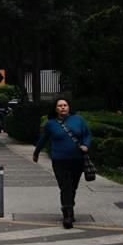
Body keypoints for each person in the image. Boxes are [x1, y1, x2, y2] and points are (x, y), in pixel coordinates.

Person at [33, 98, 93, 229]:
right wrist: (36, 152)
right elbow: (43, 139)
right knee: (65, 186)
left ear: (69, 107)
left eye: (65, 105)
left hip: (77, 159)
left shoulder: (79, 120)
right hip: (59, 160)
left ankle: (69, 206)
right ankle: (68, 214)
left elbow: (88, 135)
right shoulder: (51, 124)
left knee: (73, 186)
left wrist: (86, 145)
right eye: (60, 106)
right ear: (56, 109)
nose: (63, 108)